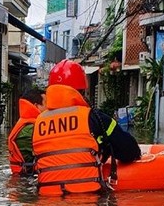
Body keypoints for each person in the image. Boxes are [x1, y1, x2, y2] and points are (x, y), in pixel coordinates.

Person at [32, 59, 142, 195]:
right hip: (88, 201)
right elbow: (129, 152)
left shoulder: (38, 123)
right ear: (82, 91)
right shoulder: (96, 118)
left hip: (47, 202)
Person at [7, 87, 46, 176]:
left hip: (23, 178)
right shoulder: (31, 129)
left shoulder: (27, 124)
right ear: (36, 106)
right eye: (46, 104)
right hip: (27, 180)